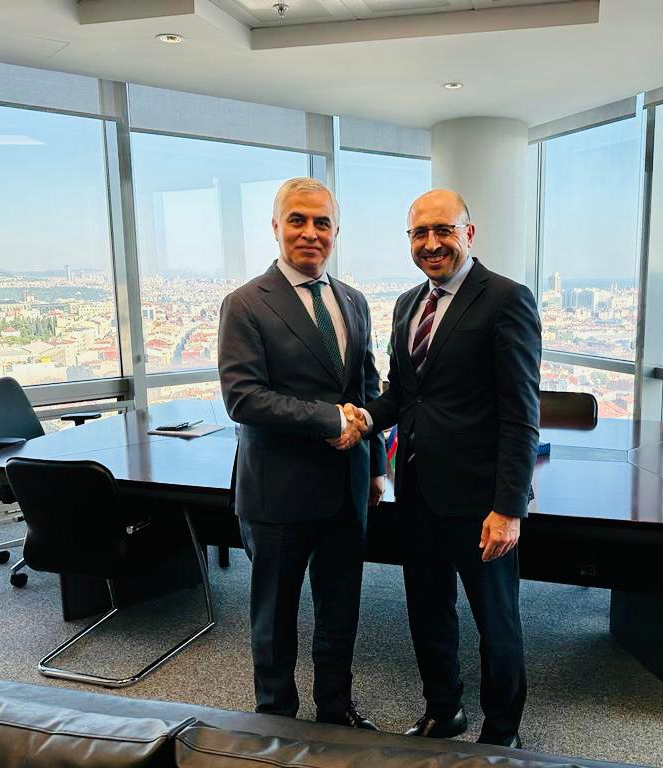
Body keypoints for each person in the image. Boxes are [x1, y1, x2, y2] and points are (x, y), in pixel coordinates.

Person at [350, 189, 541, 748]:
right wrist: (362, 420)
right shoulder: (407, 304)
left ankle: (502, 733)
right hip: (417, 493)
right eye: (420, 233)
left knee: (496, 623)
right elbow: (403, 394)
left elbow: (521, 414)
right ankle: (444, 709)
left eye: (443, 230)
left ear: (468, 234)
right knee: (428, 612)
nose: (431, 243)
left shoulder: (506, 299)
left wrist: (509, 508)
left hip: (481, 501)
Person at [218, 177, 386, 728]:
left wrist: (376, 465)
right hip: (279, 491)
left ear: (336, 231)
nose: (310, 232)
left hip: (347, 486)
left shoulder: (353, 301)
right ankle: (277, 722)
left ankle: (336, 710)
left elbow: (367, 388)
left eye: (322, 223)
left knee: (341, 609)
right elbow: (243, 398)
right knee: (275, 616)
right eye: (298, 220)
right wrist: (330, 419)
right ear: (276, 227)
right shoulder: (246, 303)